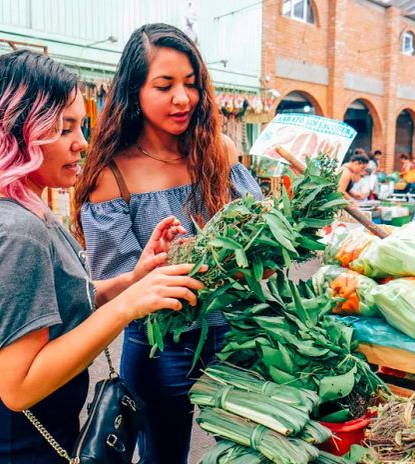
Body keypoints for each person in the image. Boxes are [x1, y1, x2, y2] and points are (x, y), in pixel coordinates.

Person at [0, 50, 206, 463]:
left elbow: (54, 300)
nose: (82, 142)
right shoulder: (14, 232)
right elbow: (19, 386)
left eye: (80, 125)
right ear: (20, 129)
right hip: (15, 443)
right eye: (65, 128)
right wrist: (126, 309)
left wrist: (132, 280)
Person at [71, 24, 262, 464]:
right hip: (160, 351)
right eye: (165, 85)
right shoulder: (111, 175)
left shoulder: (219, 151)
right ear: (133, 90)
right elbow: (112, 288)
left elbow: (258, 243)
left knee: (247, 453)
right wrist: (149, 270)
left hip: (237, 336)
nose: (183, 98)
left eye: (191, 85)